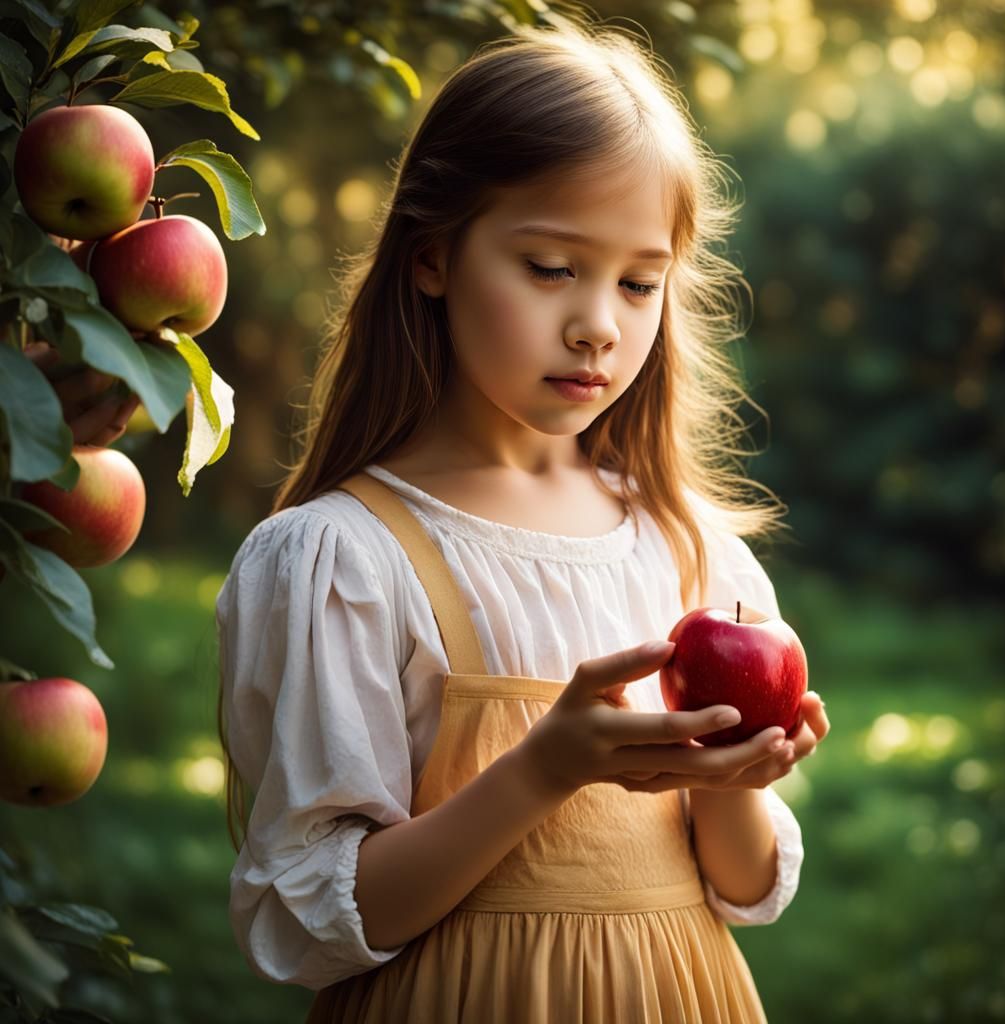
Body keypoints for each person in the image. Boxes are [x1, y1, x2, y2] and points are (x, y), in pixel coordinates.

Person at [215, 12, 830, 1023]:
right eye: (551, 268)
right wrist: (544, 767)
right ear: (432, 258)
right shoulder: (345, 557)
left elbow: (742, 884)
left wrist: (736, 775)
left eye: (639, 283)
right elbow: (311, 922)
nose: (598, 322)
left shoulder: (687, 552)